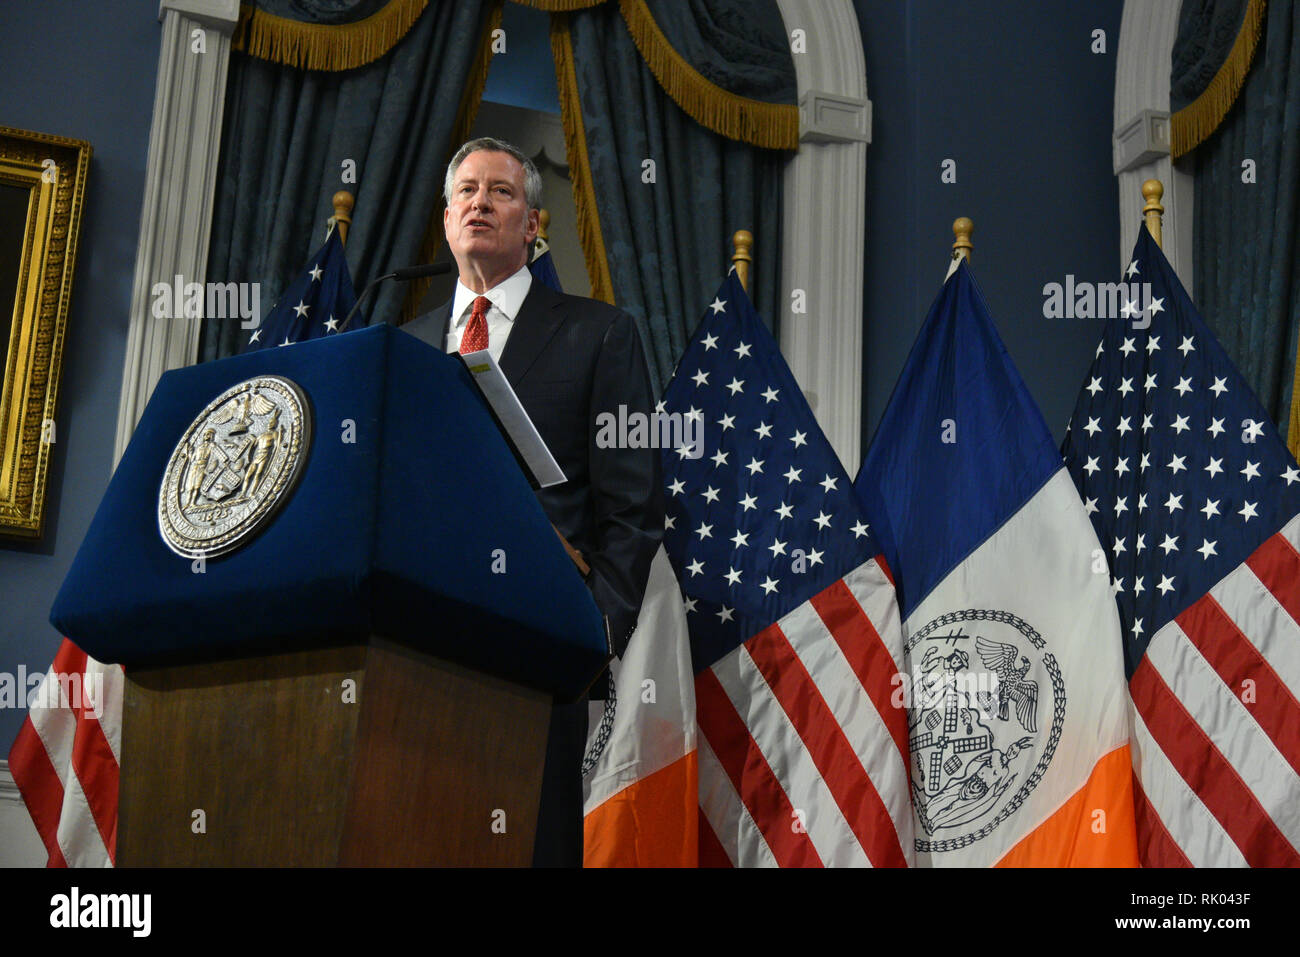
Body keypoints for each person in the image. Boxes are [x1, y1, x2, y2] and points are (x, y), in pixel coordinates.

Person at [402, 137, 664, 866]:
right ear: (446, 217)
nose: (480, 203)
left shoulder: (600, 333)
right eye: (466, 192)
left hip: (537, 651)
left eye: (501, 192)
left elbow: (634, 506)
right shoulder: (404, 344)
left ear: (533, 224)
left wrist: (592, 634)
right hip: (413, 652)